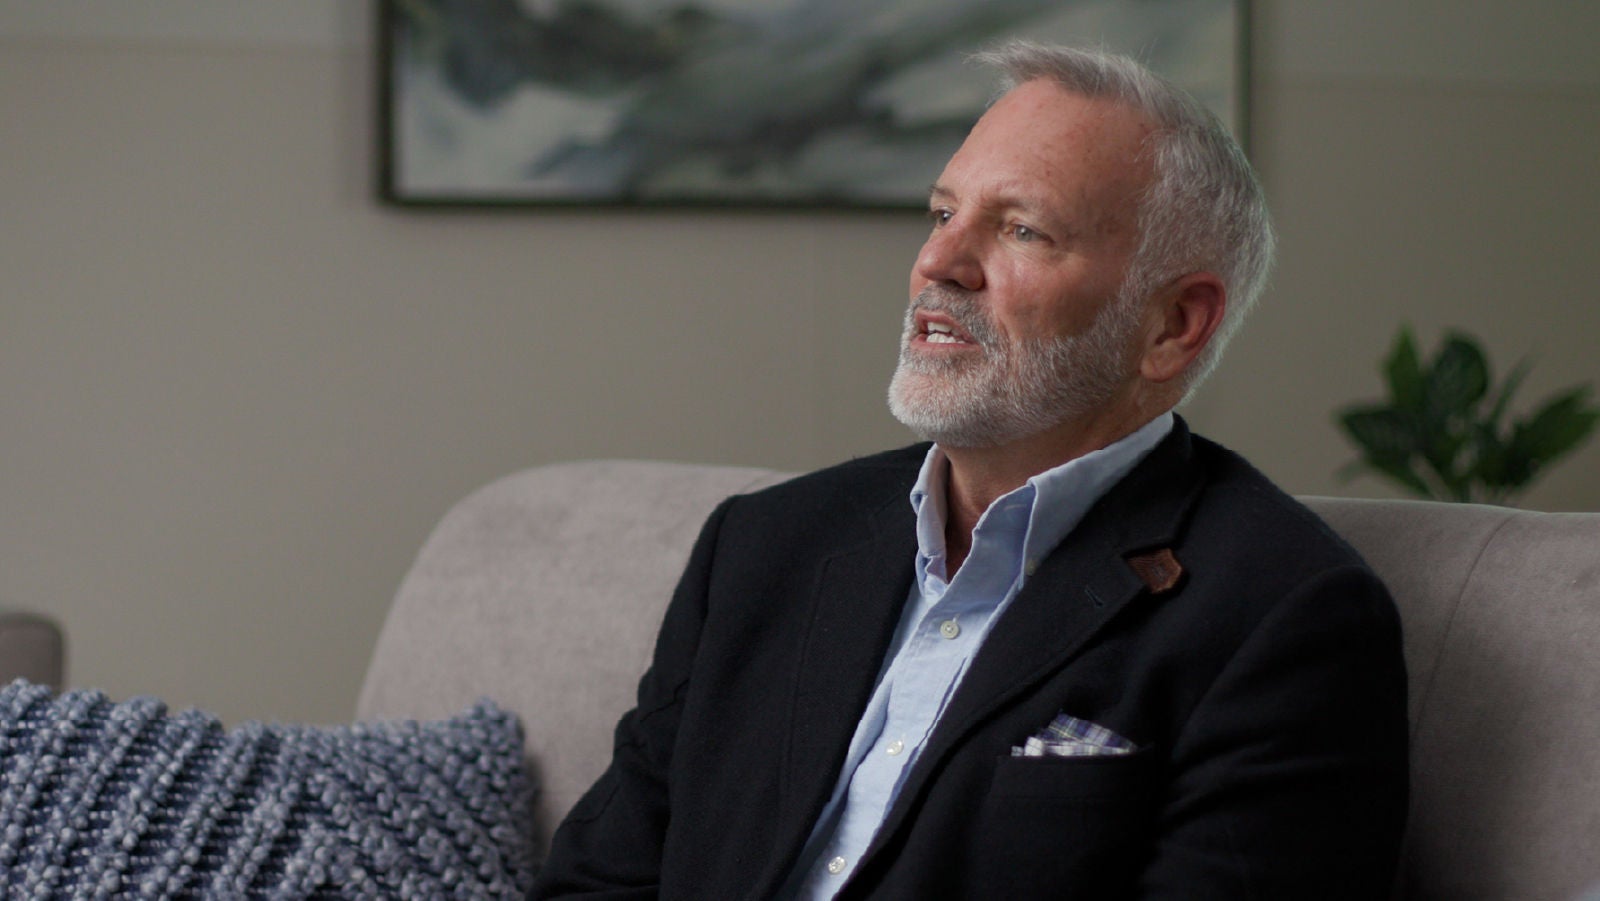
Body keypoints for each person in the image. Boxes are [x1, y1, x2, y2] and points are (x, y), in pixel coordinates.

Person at [532, 41, 1408, 900]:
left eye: (1022, 228)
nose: (939, 265)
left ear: (1175, 323)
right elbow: (597, 881)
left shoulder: (1284, 613)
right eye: (942, 213)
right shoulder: (764, 545)